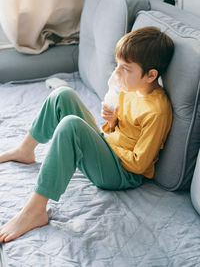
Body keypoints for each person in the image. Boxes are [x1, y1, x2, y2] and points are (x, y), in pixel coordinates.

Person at [0, 26, 174, 243]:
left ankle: (35, 210)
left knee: (71, 126)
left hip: (122, 174)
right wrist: (112, 123)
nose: (117, 74)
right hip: (110, 151)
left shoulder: (157, 110)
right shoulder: (132, 90)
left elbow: (139, 164)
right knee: (62, 95)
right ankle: (25, 150)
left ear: (151, 75)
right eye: (117, 65)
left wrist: (105, 144)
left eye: (126, 69)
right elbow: (122, 130)